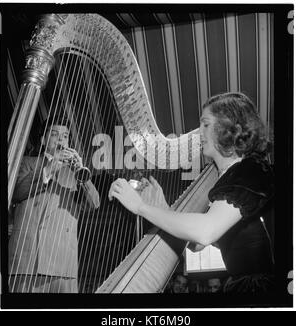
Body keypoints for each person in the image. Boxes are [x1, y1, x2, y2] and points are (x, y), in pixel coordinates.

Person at [109, 92, 275, 294]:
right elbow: (197, 245)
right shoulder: (228, 177)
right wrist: (161, 208)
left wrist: (140, 207)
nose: (198, 133)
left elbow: (205, 232)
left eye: (205, 124)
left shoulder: (251, 171)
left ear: (228, 128)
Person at [8, 115, 100, 293]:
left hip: (63, 261)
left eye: (65, 136)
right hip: (27, 259)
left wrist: (80, 174)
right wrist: (48, 170)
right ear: (44, 140)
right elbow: (16, 192)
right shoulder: (27, 162)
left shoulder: (76, 172)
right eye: (55, 134)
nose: (61, 139)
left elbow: (93, 204)